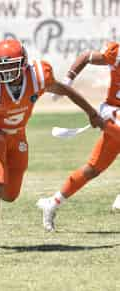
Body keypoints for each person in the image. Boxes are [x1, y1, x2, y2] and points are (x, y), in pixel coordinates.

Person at [0, 39, 104, 254]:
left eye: (10, 66)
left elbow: (67, 91)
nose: (5, 72)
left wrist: (92, 113)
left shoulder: (37, 77)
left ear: (23, 63)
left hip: (18, 137)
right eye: (1, 67)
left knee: (9, 194)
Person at [37, 41, 120, 231]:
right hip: (114, 113)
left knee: (93, 170)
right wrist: (67, 82)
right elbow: (86, 57)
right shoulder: (116, 53)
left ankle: (53, 202)